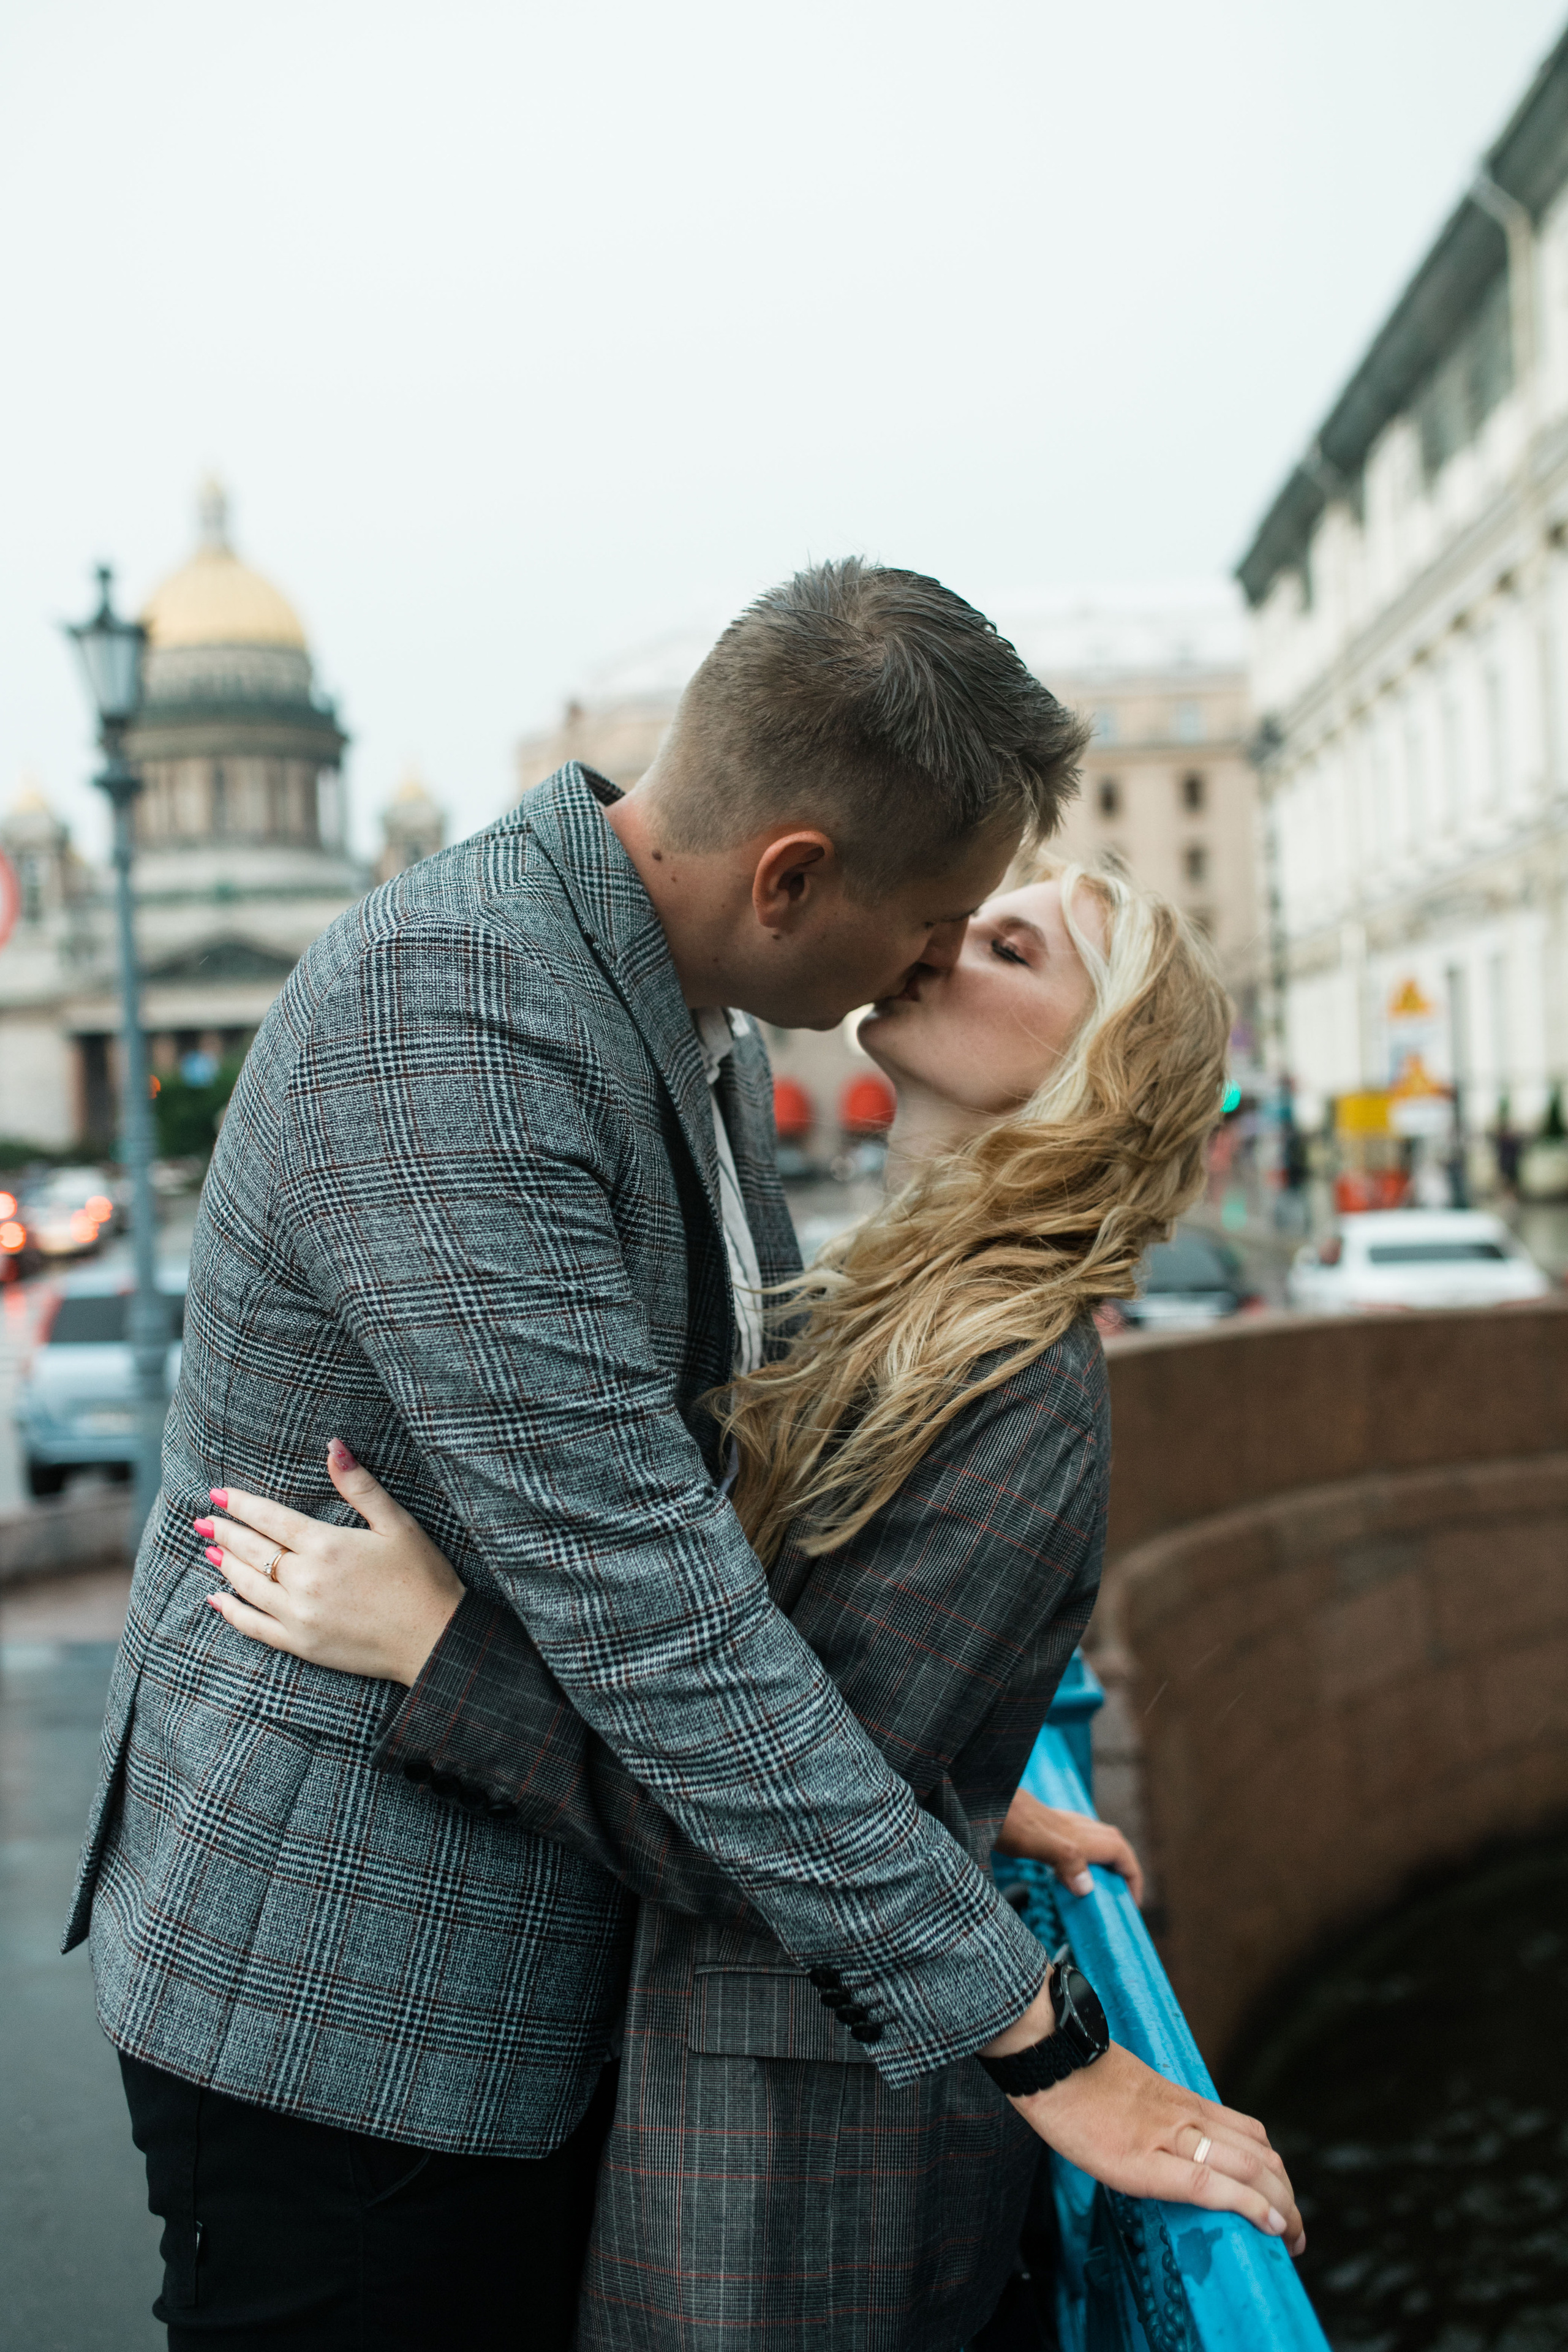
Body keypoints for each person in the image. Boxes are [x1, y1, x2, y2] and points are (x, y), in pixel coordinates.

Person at [200, 856, 1303, 2348]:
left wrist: (435, 1646)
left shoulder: (1019, 1381)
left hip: (797, 2169)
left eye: (1009, 949)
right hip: (746, 2093)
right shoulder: (897, 1311)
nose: (941, 939)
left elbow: (748, 1816)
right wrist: (964, 1792)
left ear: (1096, 1066)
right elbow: (828, 1721)